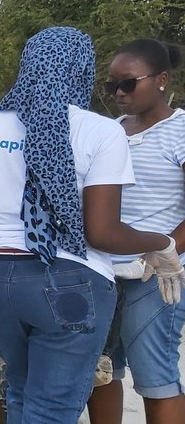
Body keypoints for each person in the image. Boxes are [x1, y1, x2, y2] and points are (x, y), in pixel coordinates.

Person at [0, 27, 184, 424]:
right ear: (81, 70)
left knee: (22, 389)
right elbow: (101, 234)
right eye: (111, 83)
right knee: (53, 409)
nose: (117, 92)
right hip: (71, 280)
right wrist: (162, 244)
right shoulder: (102, 130)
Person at [87, 39, 185, 424]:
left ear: (161, 79)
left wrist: (162, 250)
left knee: (154, 374)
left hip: (157, 274)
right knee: (101, 369)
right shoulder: (110, 132)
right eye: (112, 86)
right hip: (104, 269)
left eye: (128, 84)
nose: (119, 94)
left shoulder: (180, 131)